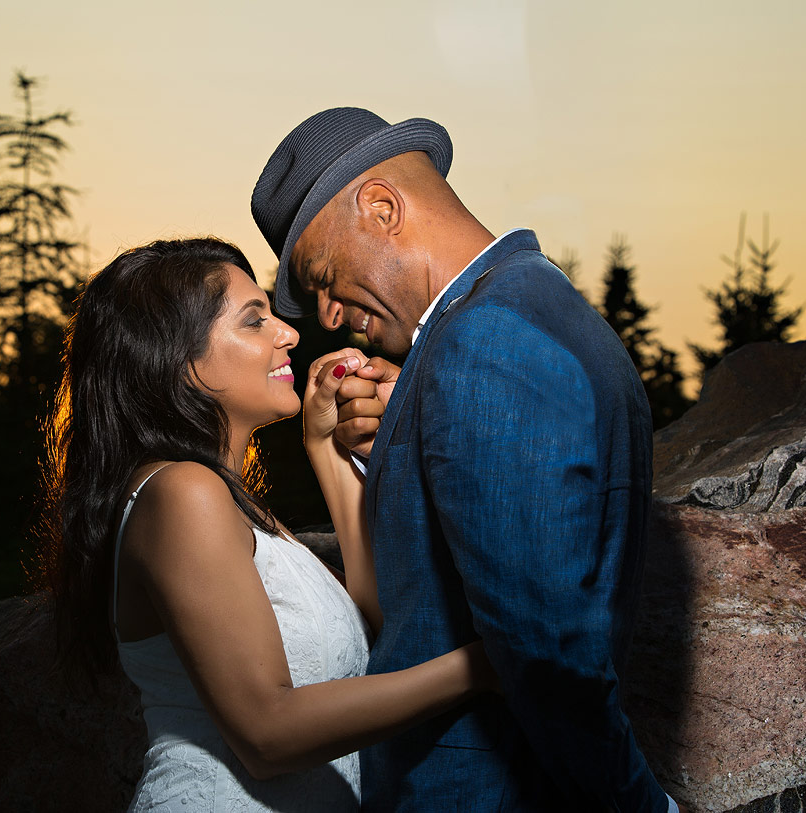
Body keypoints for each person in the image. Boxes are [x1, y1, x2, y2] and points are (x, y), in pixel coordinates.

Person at [251, 108, 682, 811]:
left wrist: (642, 805)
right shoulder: (539, 310)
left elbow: (545, 651)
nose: (325, 317)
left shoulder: (485, 345)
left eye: (324, 276)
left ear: (383, 207)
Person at [37, 237, 499, 812]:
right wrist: (492, 662)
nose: (289, 333)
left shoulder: (232, 508)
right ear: (177, 360)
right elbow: (268, 734)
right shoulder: (183, 492)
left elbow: (387, 627)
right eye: (255, 321)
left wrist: (327, 452)